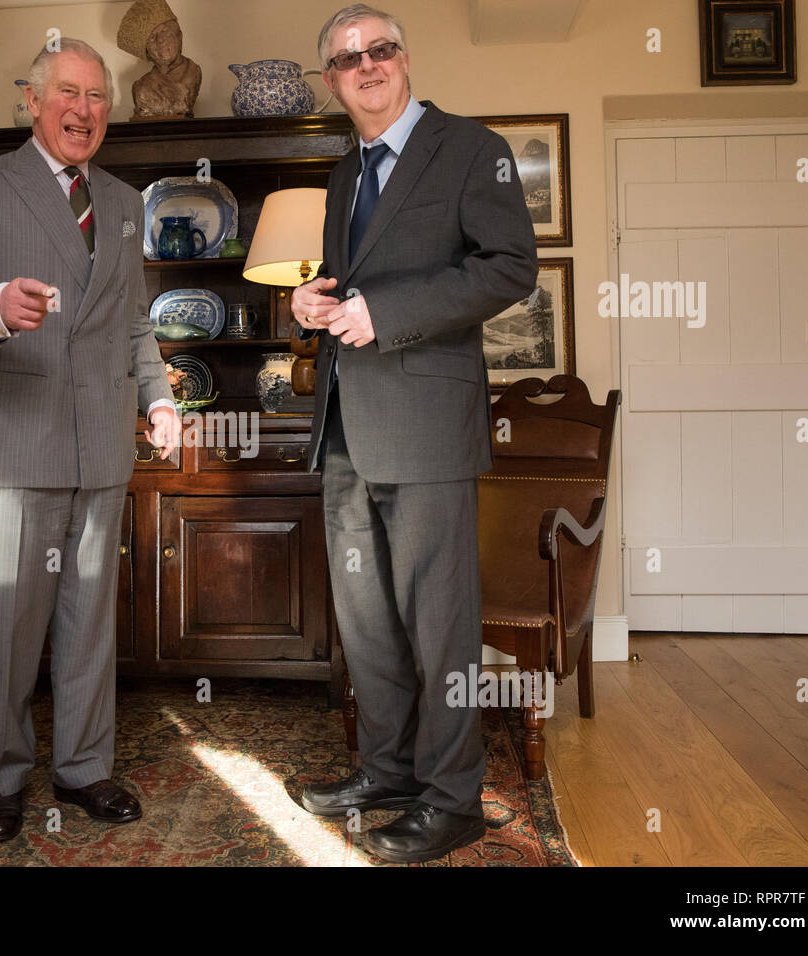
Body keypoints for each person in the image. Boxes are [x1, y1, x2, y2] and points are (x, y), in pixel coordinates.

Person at [290, 3, 537, 863]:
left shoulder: (474, 151)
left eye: (380, 49)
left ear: (404, 58)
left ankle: (452, 799)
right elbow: (345, 288)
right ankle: (386, 772)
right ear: (331, 81)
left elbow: (510, 268)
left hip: (428, 423)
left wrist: (380, 311)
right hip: (347, 425)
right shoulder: (342, 176)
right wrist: (313, 303)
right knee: (367, 620)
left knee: (437, 620)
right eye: (347, 58)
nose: (366, 65)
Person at [0, 37, 179, 843]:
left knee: (88, 623)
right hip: (9, 447)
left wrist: (161, 399)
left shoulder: (126, 201)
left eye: (98, 97)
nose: (84, 109)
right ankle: (0, 779)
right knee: (4, 627)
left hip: (100, 447)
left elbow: (135, 322)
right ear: (32, 100)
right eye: (68, 92)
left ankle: (84, 770)